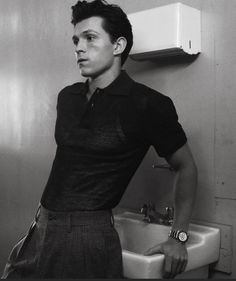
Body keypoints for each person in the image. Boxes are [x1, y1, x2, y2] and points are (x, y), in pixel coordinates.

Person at [2, 0, 198, 279]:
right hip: (41, 224)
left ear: (117, 46)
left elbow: (186, 166)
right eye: (76, 40)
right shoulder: (67, 97)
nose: (79, 47)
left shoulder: (146, 104)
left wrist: (178, 237)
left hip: (86, 236)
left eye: (90, 38)